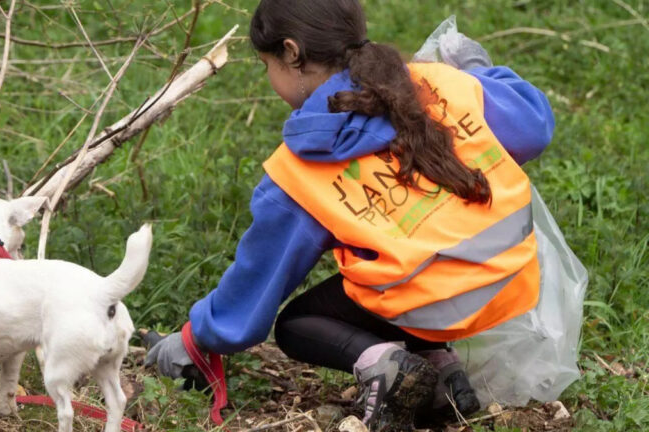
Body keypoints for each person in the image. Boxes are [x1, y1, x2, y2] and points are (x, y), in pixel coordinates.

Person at [146, 0, 555, 429]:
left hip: (434, 300)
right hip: (511, 279)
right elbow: (533, 126)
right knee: (405, 268)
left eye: (267, 64)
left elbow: (253, 290)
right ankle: (440, 372)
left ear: (291, 53)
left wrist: (196, 337)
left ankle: (384, 366)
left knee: (298, 323)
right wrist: (474, 71)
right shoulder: (440, 86)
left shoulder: (296, 174)